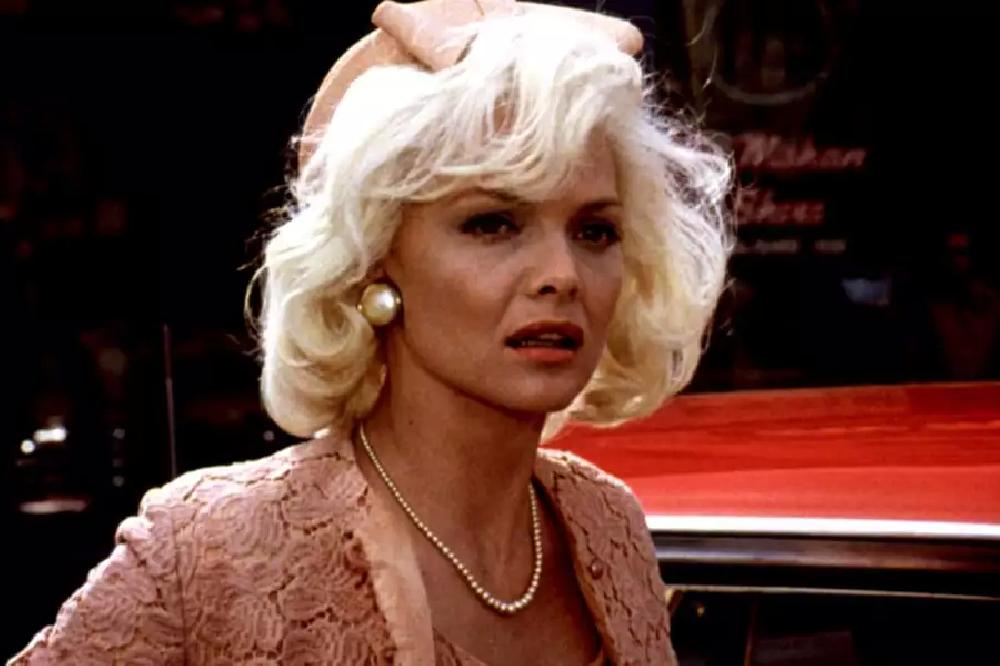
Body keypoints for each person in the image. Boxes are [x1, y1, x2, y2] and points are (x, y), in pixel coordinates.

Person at [10, 0, 730, 663]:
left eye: (595, 231)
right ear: (375, 256)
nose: (561, 274)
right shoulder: (209, 551)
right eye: (492, 223)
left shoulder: (607, 526)